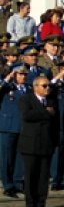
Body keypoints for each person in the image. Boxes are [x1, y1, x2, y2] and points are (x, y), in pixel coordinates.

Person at [17, 76, 56, 207]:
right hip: (30, 144)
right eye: (44, 86)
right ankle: (31, 204)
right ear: (36, 87)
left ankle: (41, 203)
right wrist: (45, 112)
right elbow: (27, 116)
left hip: (46, 144)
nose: (47, 88)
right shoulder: (26, 99)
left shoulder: (51, 101)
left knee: (43, 177)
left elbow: (55, 121)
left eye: (48, 86)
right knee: (31, 176)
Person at [0, 67, 27, 198]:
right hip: (8, 127)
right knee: (7, 158)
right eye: (20, 74)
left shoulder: (27, 88)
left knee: (19, 157)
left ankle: (18, 183)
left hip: (22, 127)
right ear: (14, 75)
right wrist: (7, 78)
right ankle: (8, 185)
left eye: (24, 74)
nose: (23, 77)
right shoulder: (7, 87)